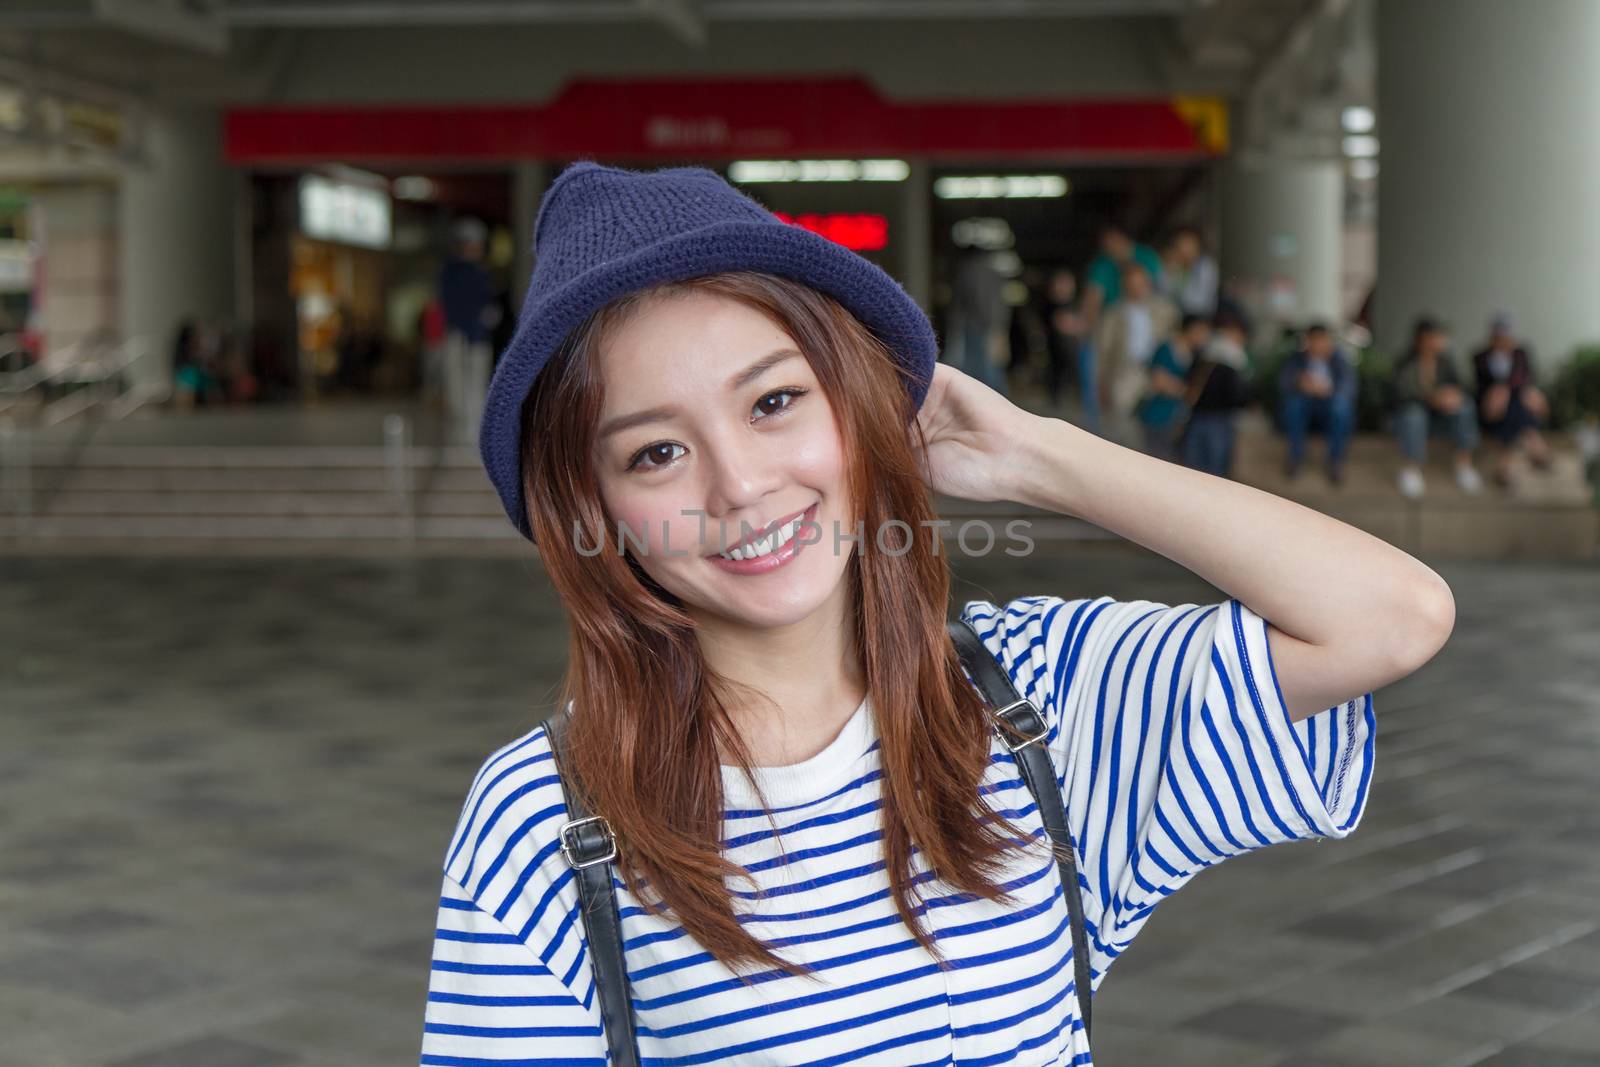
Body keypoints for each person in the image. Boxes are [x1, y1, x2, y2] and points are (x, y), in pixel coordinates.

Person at [420, 162, 1455, 1067]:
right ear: (595, 508)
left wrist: (1038, 457)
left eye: (774, 400)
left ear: (853, 406)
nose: (737, 486)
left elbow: (1390, 616)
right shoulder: (548, 816)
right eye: (655, 451)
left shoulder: (1036, 699)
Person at [1078, 221, 1163, 430]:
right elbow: (1093, 299)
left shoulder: (1148, 260)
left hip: (1155, 368)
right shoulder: (1103, 267)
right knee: (1120, 423)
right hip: (1123, 365)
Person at [1393, 316, 1482, 500]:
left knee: (1465, 406)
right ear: (1422, 339)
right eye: (1434, 336)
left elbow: (1462, 386)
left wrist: (1453, 396)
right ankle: (1411, 468)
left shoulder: (1446, 361)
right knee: (1413, 415)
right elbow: (1401, 395)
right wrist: (1432, 399)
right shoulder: (1406, 362)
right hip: (1413, 418)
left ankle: (1464, 464)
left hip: (1443, 418)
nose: (1439, 341)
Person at [1093, 261, 1178, 443]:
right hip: (1126, 372)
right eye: (1132, 285)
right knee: (1122, 429)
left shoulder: (1165, 311)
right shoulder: (1113, 314)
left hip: (1156, 372)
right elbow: (1103, 352)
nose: (1137, 289)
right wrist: (1101, 384)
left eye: (1140, 284)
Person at [1472, 312, 1553, 487]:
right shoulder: (1480, 357)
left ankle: (1505, 466)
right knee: (1513, 403)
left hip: (1513, 408)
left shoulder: (1520, 354)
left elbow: (1526, 379)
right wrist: (1500, 392)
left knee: (1517, 401)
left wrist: (1506, 389)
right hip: (1491, 410)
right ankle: (1536, 444)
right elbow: (1481, 387)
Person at [437, 216, 498, 442]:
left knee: (473, 384)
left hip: (474, 336)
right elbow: (454, 305)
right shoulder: (458, 272)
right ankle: (465, 430)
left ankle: (472, 430)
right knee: (461, 385)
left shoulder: (475, 271)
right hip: (463, 335)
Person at [1279, 322, 1358, 485]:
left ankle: (1335, 461)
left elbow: (1349, 387)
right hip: (1305, 406)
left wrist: (1329, 391)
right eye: (1314, 340)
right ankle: (1296, 457)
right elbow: (1284, 383)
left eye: (1321, 340)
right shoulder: (1297, 359)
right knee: (1293, 406)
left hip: (1329, 406)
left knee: (1341, 408)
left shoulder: (1339, 360)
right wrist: (1300, 383)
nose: (1317, 345)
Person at [1183, 306, 1254, 478]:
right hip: (1221, 420)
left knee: (1192, 470)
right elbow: (1239, 395)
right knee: (1215, 473)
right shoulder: (1236, 360)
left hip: (1197, 417)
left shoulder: (1204, 351)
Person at [1136, 311, 1209, 463]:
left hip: (1173, 420)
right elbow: (1159, 380)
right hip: (1155, 415)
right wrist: (1184, 391)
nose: (1203, 337)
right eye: (1201, 332)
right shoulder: (1166, 349)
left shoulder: (1194, 356)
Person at [949, 244, 1010, 396]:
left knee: (979, 366)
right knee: (992, 364)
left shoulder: (969, 270)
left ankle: (986, 400)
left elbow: (973, 299)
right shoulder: (993, 272)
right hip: (995, 324)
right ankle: (1000, 400)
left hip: (976, 324)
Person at [1038, 266, 1084, 412]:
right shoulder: (1049, 305)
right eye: (1061, 283)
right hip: (1056, 350)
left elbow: (1080, 325)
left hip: (1074, 353)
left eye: (1067, 283)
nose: (1063, 287)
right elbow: (1061, 324)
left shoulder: (1077, 304)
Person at [1157, 225, 1219, 318]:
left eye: (1187, 244)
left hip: (1199, 316)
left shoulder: (1206, 266)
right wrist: (1170, 271)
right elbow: (1162, 292)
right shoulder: (1175, 265)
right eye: (1179, 244)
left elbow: (1199, 302)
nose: (1183, 249)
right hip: (1176, 314)